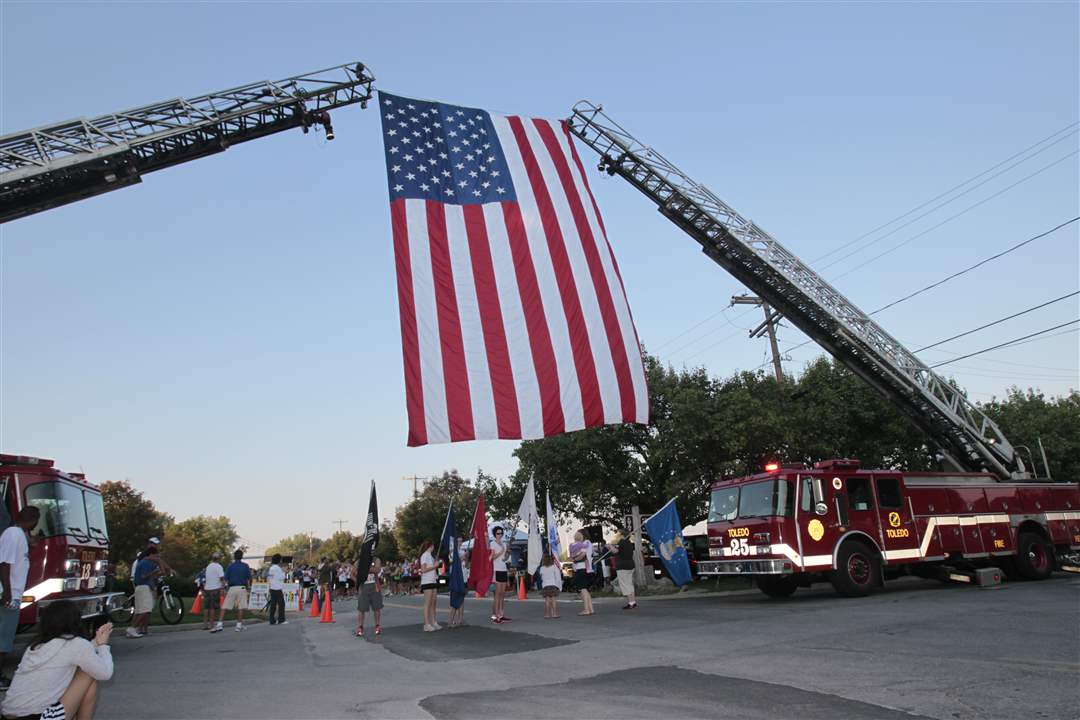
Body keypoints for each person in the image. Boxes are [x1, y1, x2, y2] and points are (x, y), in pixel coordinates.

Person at [0, 600, 113, 720]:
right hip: (39, 717)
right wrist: (103, 646)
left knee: (84, 670)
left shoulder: (36, 646)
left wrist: (96, 642)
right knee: (88, 674)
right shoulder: (76, 644)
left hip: (8, 715)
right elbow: (105, 673)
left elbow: (75, 653)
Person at [0, 507, 40, 685]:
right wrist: (7, 591)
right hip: (8, 594)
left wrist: (30, 545)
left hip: (13, 594)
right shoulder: (13, 534)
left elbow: (16, 561)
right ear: (33, 519)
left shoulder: (19, 535)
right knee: (3, 639)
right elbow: (4, 563)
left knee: (5, 638)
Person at [127, 546, 162, 638]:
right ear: (150, 555)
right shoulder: (146, 563)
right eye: (155, 556)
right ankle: (133, 628)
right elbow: (143, 576)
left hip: (139, 587)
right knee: (147, 609)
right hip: (144, 587)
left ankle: (136, 629)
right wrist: (154, 572)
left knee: (139, 610)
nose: (156, 558)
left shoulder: (143, 562)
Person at [221, 549, 251, 632]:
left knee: (225, 606)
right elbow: (248, 579)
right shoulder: (245, 566)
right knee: (241, 607)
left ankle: (219, 624)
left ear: (234, 557)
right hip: (242, 587)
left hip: (232, 587)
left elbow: (225, 579)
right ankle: (238, 625)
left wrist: (223, 588)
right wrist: (248, 588)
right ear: (242, 557)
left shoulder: (230, 566)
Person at [355, 556, 383, 637]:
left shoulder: (376, 559)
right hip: (363, 587)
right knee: (361, 608)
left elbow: (377, 570)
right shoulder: (359, 560)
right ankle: (360, 627)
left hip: (374, 586)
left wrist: (363, 568)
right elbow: (353, 573)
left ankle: (377, 626)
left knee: (376, 608)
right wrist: (358, 582)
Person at [569, 530, 595, 616]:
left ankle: (586, 609)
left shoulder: (585, 543)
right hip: (586, 568)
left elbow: (583, 554)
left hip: (581, 568)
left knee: (583, 589)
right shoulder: (587, 543)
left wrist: (574, 559)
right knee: (585, 590)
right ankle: (590, 608)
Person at [489, 526, 511, 624]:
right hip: (496, 570)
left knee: (502, 594)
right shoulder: (492, 544)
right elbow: (491, 558)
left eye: (501, 533)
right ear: (494, 534)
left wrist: (507, 554)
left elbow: (505, 558)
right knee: (497, 594)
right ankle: (496, 616)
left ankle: (501, 615)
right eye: (498, 533)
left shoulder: (504, 543)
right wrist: (501, 551)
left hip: (503, 569)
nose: (500, 535)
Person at [611, 532, 638, 610]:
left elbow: (616, 551)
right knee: (629, 583)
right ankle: (633, 602)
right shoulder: (629, 543)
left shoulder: (621, 542)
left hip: (623, 566)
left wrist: (610, 546)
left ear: (622, 535)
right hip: (630, 564)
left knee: (625, 584)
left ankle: (631, 603)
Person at [418, 541, 440, 632]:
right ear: (431, 546)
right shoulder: (424, 555)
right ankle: (426, 624)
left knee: (434, 602)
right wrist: (434, 566)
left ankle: (434, 622)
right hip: (427, 582)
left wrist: (435, 566)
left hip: (433, 580)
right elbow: (423, 570)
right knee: (428, 603)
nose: (434, 547)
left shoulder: (430, 556)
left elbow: (432, 569)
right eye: (433, 545)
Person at [202, 552, 225, 631]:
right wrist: (223, 588)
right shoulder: (219, 566)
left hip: (207, 589)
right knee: (213, 608)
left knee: (206, 607)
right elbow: (222, 578)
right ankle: (211, 625)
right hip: (215, 589)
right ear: (218, 559)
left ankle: (205, 624)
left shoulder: (209, 566)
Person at [266, 553, 287, 626]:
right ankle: (281, 620)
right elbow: (282, 577)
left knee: (273, 605)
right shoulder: (278, 568)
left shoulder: (271, 568)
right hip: (278, 588)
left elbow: (269, 578)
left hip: (272, 588)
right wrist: (284, 571)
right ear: (279, 560)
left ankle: (272, 620)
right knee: (281, 604)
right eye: (280, 559)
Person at [540, 553, 562, 619]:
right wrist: (559, 586)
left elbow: (542, 577)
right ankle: (554, 614)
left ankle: (547, 614)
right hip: (553, 585)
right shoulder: (554, 567)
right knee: (553, 600)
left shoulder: (542, 568)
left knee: (547, 600)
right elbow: (558, 577)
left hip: (545, 586)